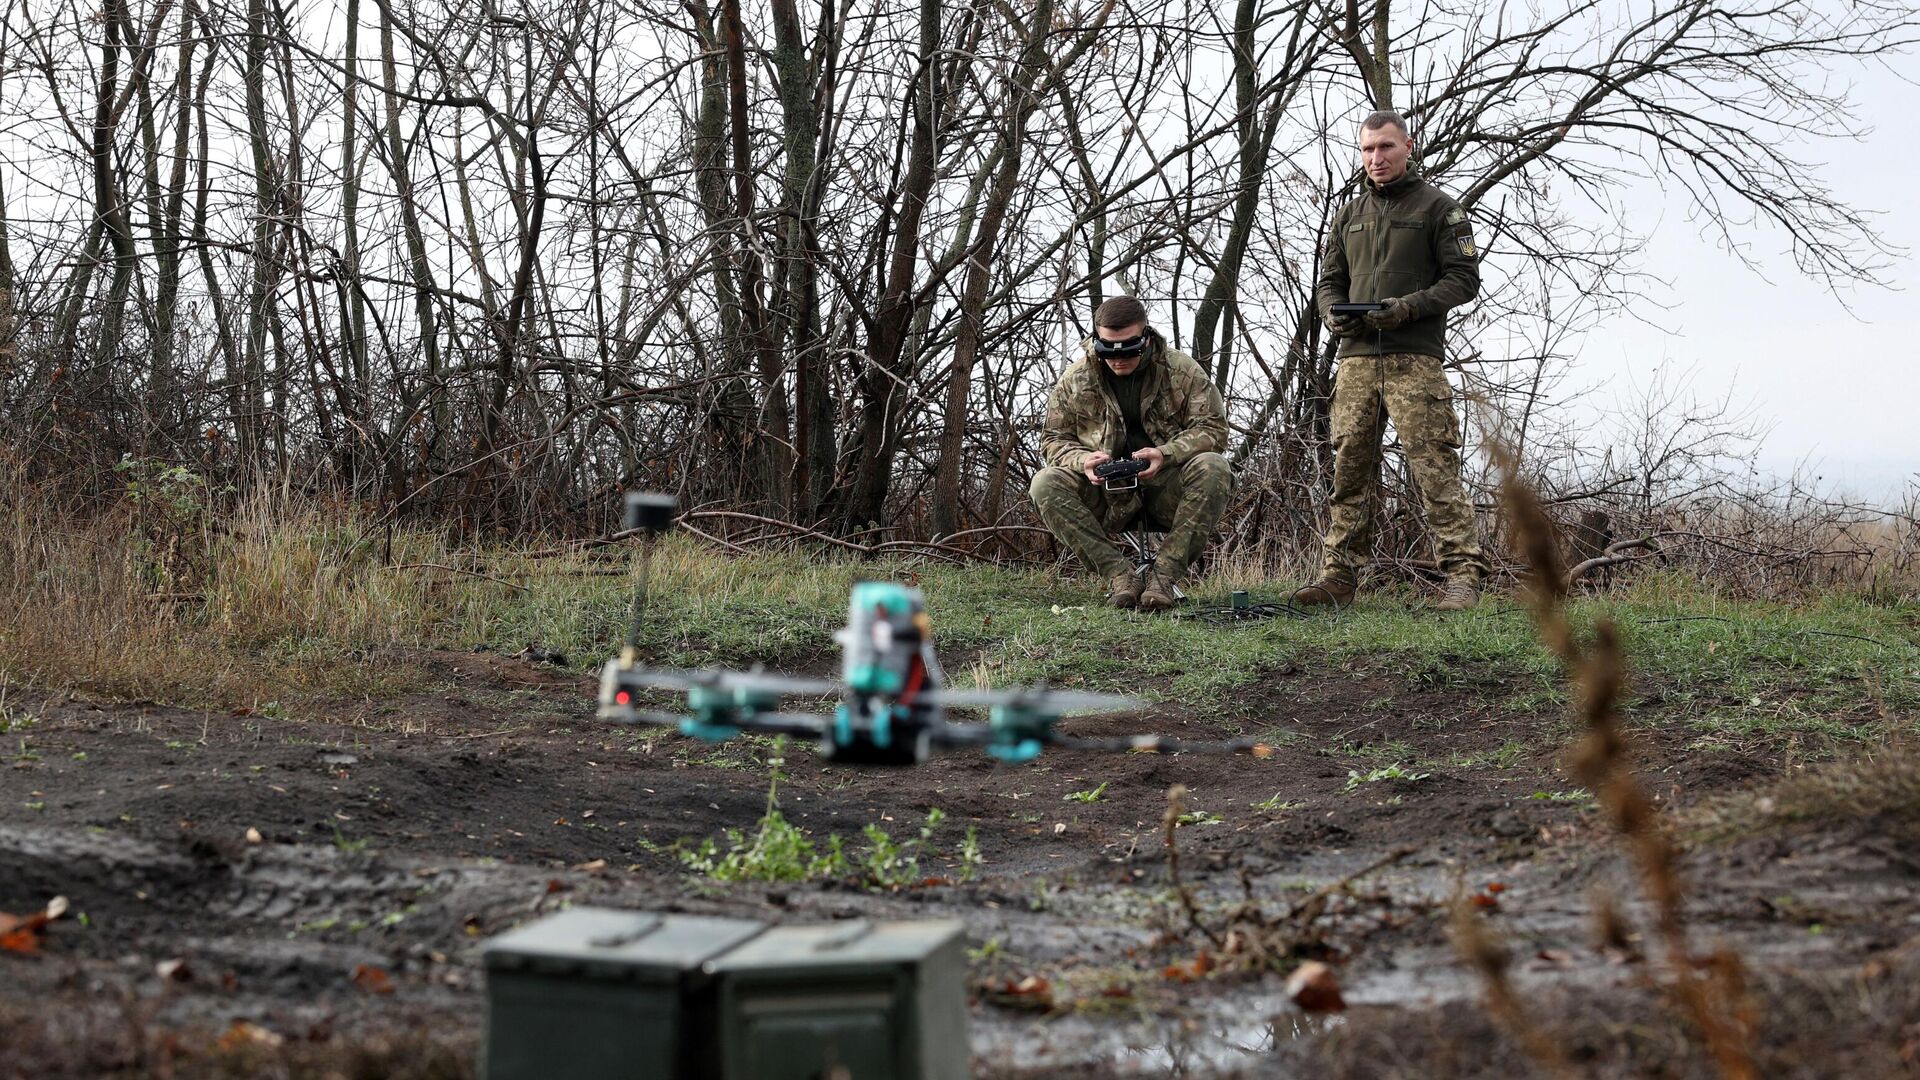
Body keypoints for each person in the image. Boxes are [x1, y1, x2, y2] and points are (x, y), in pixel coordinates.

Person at [1295, 110, 1491, 611]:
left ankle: (1463, 577)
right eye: (1366, 150)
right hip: (1356, 360)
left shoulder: (1439, 209)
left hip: (1414, 360)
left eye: (1385, 147)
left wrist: (1407, 308)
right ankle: (1339, 576)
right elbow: (1328, 282)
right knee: (1348, 469)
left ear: (1408, 146)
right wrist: (1331, 314)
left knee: (1434, 468)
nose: (1376, 159)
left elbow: (1464, 279)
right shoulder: (1349, 214)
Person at [1030, 296, 1231, 611]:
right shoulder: (1076, 378)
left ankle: (1163, 580)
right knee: (1045, 482)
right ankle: (1120, 577)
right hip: (1105, 495)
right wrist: (1081, 461)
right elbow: (1053, 438)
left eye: (1129, 347)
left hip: (1166, 490)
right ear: (1096, 341)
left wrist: (1166, 453)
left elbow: (1214, 430)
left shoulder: (1181, 371)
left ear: (1146, 337)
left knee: (1213, 466)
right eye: (1108, 349)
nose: (1118, 357)